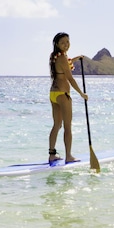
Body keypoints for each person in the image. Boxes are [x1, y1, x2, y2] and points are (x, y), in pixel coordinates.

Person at [48, 32, 87, 163]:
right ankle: (68, 156)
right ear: (57, 44)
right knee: (67, 127)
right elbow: (69, 78)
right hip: (63, 95)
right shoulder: (62, 57)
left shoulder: (55, 57)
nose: (66, 45)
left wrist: (77, 58)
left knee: (57, 125)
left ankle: (52, 155)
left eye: (67, 42)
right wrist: (81, 93)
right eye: (63, 43)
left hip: (53, 94)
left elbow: (66, 63)